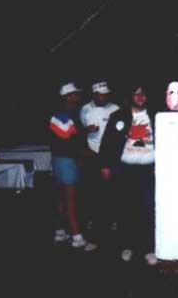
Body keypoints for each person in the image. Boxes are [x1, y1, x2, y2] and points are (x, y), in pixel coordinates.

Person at [99, 85, 157, 266]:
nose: (140, 96)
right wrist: (105, 165)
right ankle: (127, 246)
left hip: (149, 170)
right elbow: (107, 141)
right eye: (136, 93)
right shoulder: (118, 116)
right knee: (126, 208)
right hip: (125, 169)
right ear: (130, 96)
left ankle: (149, 248)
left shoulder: (156, 115)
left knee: (148, 209)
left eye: (143, 93)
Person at [49, 82, 97, 251]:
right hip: (65, 160)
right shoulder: (61, 115)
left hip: (64, 160)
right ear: (68, 96)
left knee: (62, 198)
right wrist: (84, 152)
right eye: (75, 94)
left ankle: (60, 231)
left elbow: (71, 136)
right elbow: (67, 139)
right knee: (70, 201)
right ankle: (77, 237)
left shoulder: (69, 113)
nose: (78, 96)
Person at [79, 81, 120, 231]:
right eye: (102, 95)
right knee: (93, 189)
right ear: (95, 95)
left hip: (111, 153)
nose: (105, 97)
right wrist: (87, 131)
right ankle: (93, 220)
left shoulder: (115, 108)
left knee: (112, 188)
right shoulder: (85, 109)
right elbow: (79, 132)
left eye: (106, 95)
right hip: (93, 153)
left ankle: (113, 219)